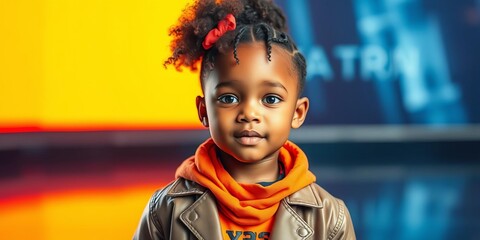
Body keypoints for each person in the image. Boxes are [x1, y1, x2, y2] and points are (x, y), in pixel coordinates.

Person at [133, 0, 356, 239]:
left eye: (270, 99)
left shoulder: (330, 217)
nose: (249, 114)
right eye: (228, 98)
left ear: (298, 113)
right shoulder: (165, 210)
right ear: (203, 111)